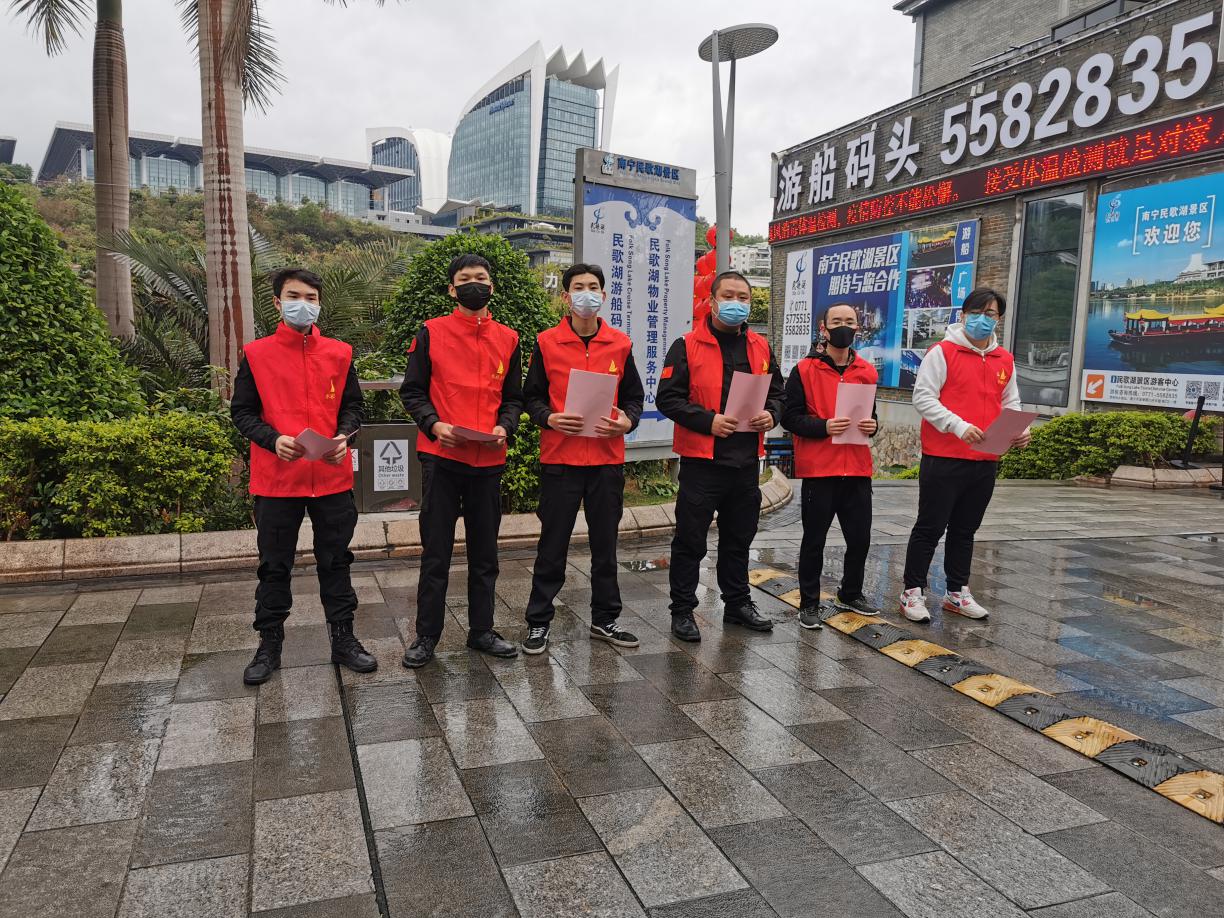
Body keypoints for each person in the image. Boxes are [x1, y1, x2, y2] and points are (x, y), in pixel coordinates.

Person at [230, 267, 377, 685]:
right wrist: (272, 439)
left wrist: (344, 436)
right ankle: (269, 645)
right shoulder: (257, 354)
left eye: (311, 298)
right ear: (277, 303)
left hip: (331, 477)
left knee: (337, 560)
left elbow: (354, 407)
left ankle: (343, 639)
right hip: (278, 479)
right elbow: (242, 412)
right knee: (274, 565)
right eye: (294, 296)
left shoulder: (339, 353)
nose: (304, 304)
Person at [399, 253, 524, 667]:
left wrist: (506, 425)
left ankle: (481, 630)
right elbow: (412, 391)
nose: (475, 284)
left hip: (488, 459)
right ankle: (426, 636)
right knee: (436, 551)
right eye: (465, 278)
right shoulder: (431, 332)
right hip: (442, 456)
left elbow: (513, 397)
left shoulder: (509, 338)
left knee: (485, 553)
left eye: (481, 277)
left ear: (492, 286)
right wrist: (434, 424)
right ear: (453, 290)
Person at [520, 263, 645, 654]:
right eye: (578, 287)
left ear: (603, 296)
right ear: (566, 296)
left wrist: (627, 421)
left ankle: (605, 619)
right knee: (552, 546)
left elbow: (634, 398)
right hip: (561, 459)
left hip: (606, 461)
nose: (586, 293)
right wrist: (550, 418)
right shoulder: (546, 343)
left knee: (605, 547)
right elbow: (531, 397)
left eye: (593, 287)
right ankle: (538, 622)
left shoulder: (620, 344)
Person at [657, 270, 785, 642]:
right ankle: (683, 610)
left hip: (745, 462)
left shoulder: (760, 346)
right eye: (728, 296)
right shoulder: (686, 345)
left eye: (743, 297)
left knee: (739, 538)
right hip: (702, 462)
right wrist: (708, 421)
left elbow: (778, 392)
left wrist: (772, 414)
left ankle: (738, 604)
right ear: (711, 301)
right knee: (690, 540)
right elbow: (668, 398)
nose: (736, 303)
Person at [899, 287, 1029, 623]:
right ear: (963, 315)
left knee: (965, 530)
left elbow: (1010, 401)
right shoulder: (942, 352)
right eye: (976, 312)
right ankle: (912, 592)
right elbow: (923, 397)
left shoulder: (1004, 359)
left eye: (990, 314)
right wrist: (958, 426)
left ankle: (956, 592)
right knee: (930, 528)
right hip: (944, 457)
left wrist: (1019, 428)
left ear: (999, 319)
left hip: (985, 459)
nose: (983, 319)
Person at [782, 303, 881, 630]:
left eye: (850, 321)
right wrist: (823, 426)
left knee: (860, 538)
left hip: (857, 469)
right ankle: (809, 602)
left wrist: (873, 426)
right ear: (823, 328)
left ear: (858, 328)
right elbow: (790, 418)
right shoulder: (804, 370)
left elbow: (872, 416)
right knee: (814, 540)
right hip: (819, 470)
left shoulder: (867, 371)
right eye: (836, 321)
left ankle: (850, 593)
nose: (844, 327)